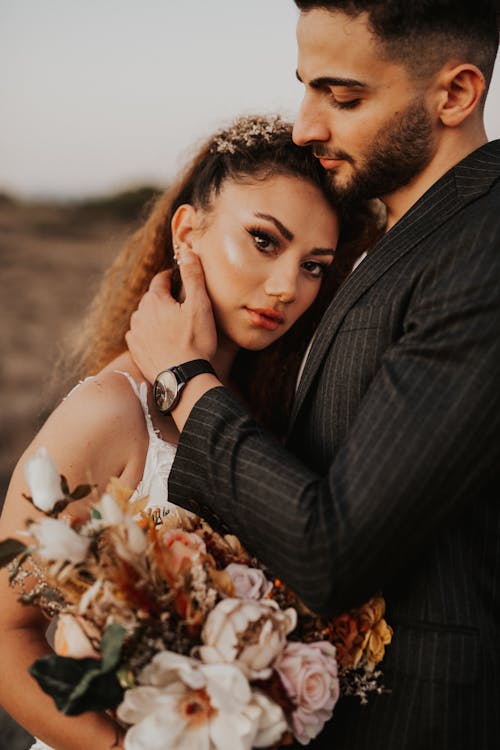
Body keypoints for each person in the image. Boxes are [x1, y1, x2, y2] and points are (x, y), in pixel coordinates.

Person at [125, 2, 500, 748]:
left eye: (344, 96)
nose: (305, 126)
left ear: (456, 95)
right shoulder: (390, 234)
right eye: (306, 87)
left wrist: (184, 378)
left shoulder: (484, 246)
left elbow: (336, 551)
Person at [0, 114, 377, 750]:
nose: (287, 286)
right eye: (263, 240)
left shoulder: (267, 418)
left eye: (314, 265)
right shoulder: (109, 413)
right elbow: (8, 636)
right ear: (187, 231)